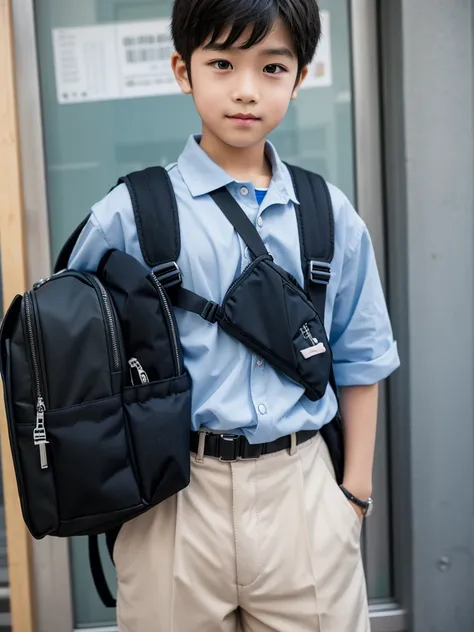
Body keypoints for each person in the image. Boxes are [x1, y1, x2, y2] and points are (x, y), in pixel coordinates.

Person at [69, 0, 400, 629]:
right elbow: (76, 362)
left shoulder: (326, 212)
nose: (246, 90)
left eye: (272, 67)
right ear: (182, 69)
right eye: (222, 63)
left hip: (302, 488)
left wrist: (352, 496)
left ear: (299, 78)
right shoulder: (129, 212)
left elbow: (363, 358)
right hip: (173, 497)